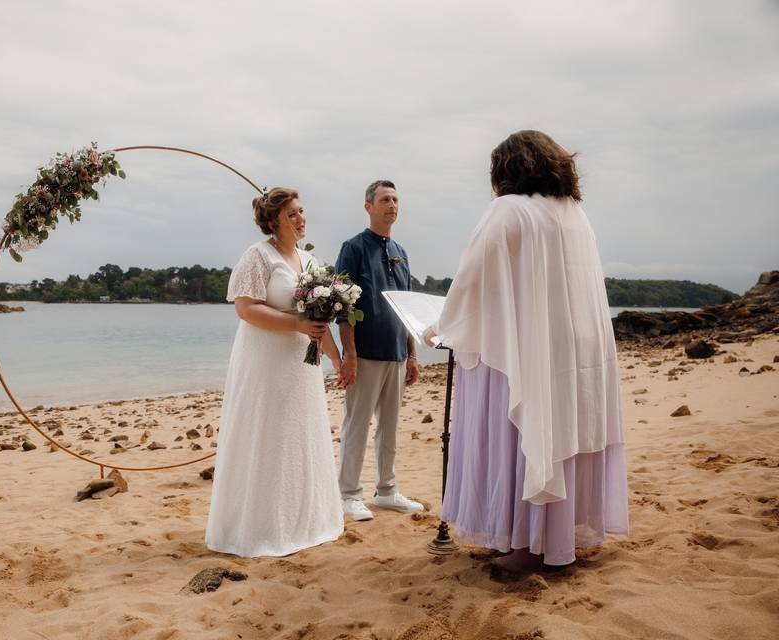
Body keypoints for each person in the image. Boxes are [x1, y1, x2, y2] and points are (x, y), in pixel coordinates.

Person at [423, 130, 629, 573]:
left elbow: (472, 275)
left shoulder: (509, 210)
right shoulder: (575, 214)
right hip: (576, 347)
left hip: (527, 349)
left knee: (524, 435)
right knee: (561, 435)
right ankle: (555, 536)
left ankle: (522, 544)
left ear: (506, 171)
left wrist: (442, 326)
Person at [206, 187, 345, 558]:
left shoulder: (311, 263)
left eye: (301, 212)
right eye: (292, 215)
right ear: (273, 222)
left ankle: (305, 522)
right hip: (264, 363)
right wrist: (297, 323)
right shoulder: (257, 256)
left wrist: (336, 358)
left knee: (298, 438)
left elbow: (320, 320)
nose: (301, 220)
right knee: (266, 436)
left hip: (301, 366)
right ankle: (259, 527)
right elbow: (246, 309)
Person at [334, 180, 424, 522]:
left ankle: (386, 491)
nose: (392, 205)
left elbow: (407, 308)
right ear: (368, 206)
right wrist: (349, 354)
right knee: (357, 425)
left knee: (390, 426)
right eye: (385, 199)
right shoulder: (353, 248)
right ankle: (348, 494)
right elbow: (343, 304)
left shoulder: (401, 251)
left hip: (397, 354)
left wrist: (412, 354)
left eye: (396, 199)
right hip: (366, 352)